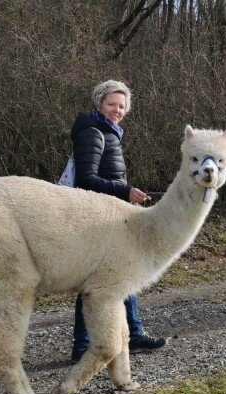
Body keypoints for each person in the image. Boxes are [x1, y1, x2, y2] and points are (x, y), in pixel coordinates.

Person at [69, 80, 167, 363]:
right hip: (97, 218)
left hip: (111, 214)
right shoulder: (93, 133)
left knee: (125, 270)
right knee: (96, 279)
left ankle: (132, 332)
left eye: (122, 106)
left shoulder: (107, 133)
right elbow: (85, 180)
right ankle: (83, 345)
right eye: (111, 104)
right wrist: (125, 191)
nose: (117, 110)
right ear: (99, 104)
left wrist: (127, 193)